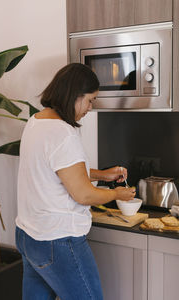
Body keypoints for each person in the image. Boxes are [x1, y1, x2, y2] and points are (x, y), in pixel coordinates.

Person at [15, 63, 136, 300]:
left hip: (29, 236)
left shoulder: (36, 122)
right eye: (90, 100)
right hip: (59, 241)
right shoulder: (64, 133)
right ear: (74, 95)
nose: (91, 108)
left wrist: (103, 174)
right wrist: (117, 194)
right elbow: (84, 195)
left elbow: (58, 170)